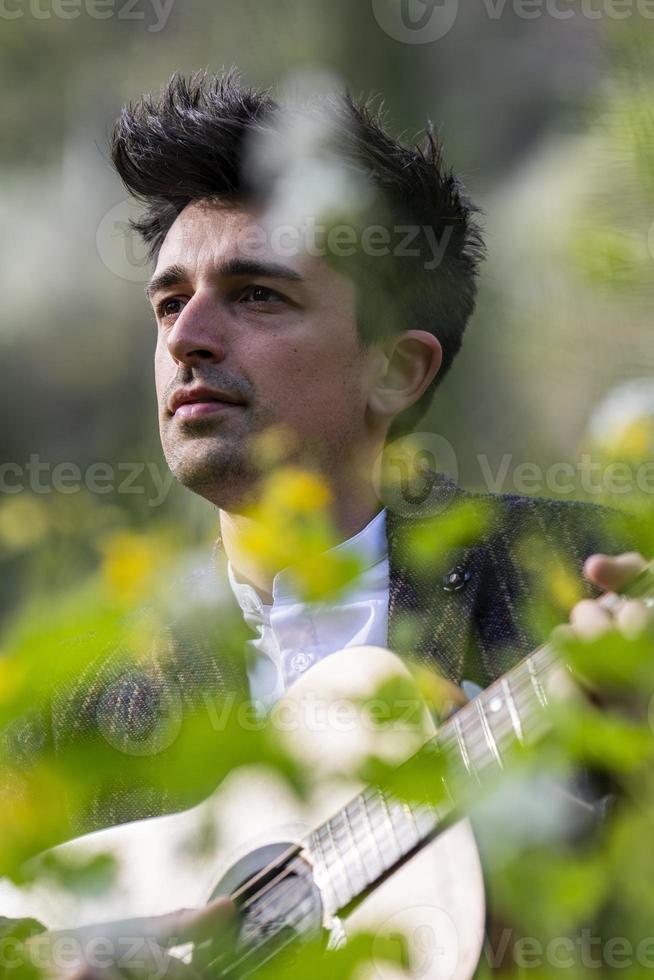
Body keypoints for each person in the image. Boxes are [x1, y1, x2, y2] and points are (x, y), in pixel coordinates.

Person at [1, 70, 651, 977]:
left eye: (257, 294)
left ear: (397, 371)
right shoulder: (64, 715)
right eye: (167, 301)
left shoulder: (575, 576)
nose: (187, 334)